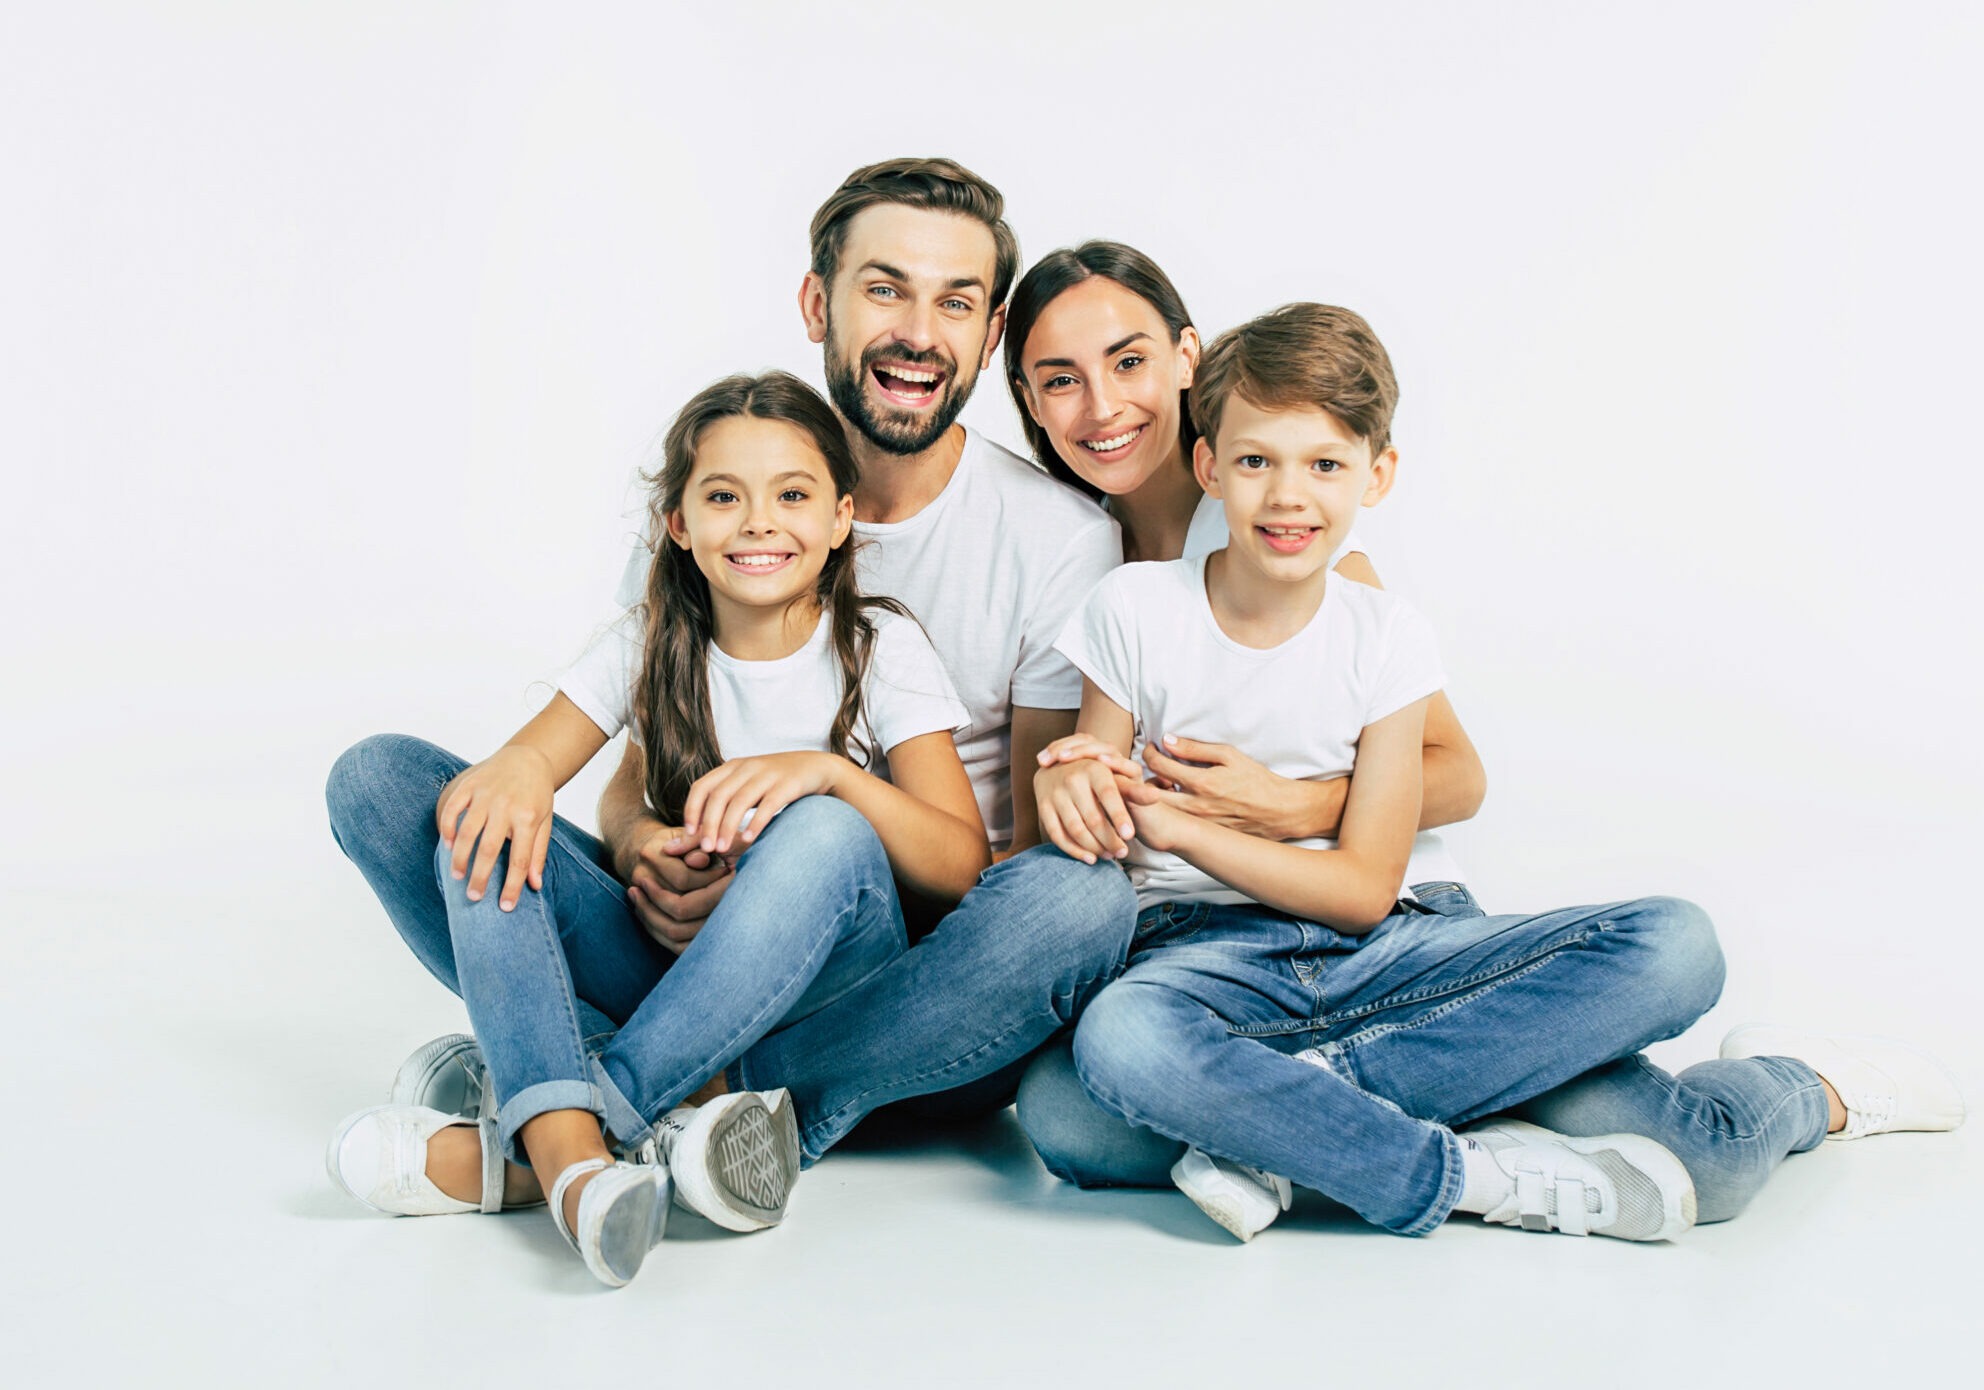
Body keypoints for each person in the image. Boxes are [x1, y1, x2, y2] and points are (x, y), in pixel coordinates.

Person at [1025, 302, 1964, 1242]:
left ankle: (1801, 1087)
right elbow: (1102, 805)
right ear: (1210, 467)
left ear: (1376, 476)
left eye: (1325, 465)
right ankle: (1464, 1165)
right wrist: (1074, 787)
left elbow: (1361, 892)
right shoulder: (1134, 609)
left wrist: (1190, 826)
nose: (1286, 496)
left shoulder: (1385, 636)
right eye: (1257, 461)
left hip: (1399, 950)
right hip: (1205, 963)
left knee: (1682, 957)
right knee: (1084, 1090)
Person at [324, 159, 1138, 1221]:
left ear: (989, 336)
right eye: (884, 288)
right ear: (819, 302)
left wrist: (823, 793)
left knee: (1077, 896)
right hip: (685, 947)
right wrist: (632, 847)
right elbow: (630, 772)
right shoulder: (723, 496)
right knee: (388, 786)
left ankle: (578, 1115)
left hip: (894, 989)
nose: (918, 329)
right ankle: (673, 1095)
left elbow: (1007, 860)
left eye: (956, 300)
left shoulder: (1051, 542)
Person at [327, 373, 991, 1286]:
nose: (759, 523)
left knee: (826, 833)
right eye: (725, 497)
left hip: (823, 989)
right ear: (679, 524)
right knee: (411, 793)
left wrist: (829, 775)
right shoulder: (648, 641)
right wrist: (605, 820)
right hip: (669, 972)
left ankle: (555, 1137)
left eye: (792, 496)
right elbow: (519, 779)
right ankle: (594, 1150)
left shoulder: (877, 648)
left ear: (843, 518)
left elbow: (962, 866)